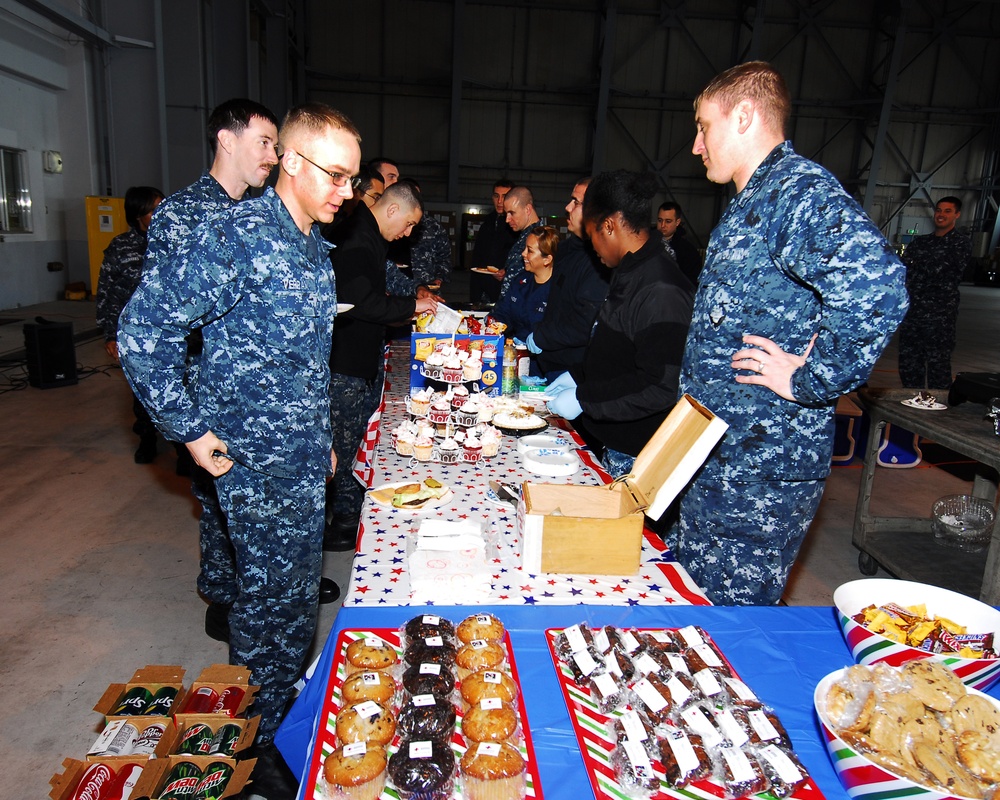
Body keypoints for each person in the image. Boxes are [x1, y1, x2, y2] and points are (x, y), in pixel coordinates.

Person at [119, 103, 361, 799]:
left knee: (293, 611)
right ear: (291, 161)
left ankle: (281, 730)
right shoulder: (237, 237)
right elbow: (144, 332)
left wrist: (321, 441)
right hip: (251, 463)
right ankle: (255, 762)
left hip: (299, 462)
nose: (346, 191)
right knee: (264, 614)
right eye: (336, 176)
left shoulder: (311, 244)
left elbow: (305, 361)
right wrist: (190, 431)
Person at [670, 61, 908, 606]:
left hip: (761, 465)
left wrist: (811, 378)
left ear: (745, 116)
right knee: (698, 608)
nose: (696, 145)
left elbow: (879, 286)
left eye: (704, 127)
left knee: (734, 622)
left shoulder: (796, 193)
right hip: (723, 456)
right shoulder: (757, 198)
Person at [141, 99, 299, 644]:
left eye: (276, 145)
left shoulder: (259, 214)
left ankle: (264, 588)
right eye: (263, 142)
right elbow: (161, 320)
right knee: (215, 496)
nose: (272, 155)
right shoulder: (182, 214)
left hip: (251, 389)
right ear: (226, 141)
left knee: (247, 502)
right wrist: (186, 413)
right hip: (204, 390)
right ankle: (223, 592)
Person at [545, 171, 693, 478]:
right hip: (608, 436)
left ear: (609, 226)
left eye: (592, 235)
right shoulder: (629, 269)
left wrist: (585, 399)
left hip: (636, 452)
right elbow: (617, 349)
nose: (592, 247)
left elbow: (660, 385)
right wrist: (578, 375)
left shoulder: (661, 288)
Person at [325, 181, 439, 549]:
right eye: (407, 225)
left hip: (360, 357)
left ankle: (350, 512)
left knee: (358, 440)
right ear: (392, 210)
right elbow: (364, 303)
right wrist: (410, 308)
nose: (407, 234)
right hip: (345, 363)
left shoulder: (371, 236)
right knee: (345, 444)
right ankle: (344, 522)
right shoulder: (358, 240)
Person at [96, 186, 165, 463]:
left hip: (171, 334)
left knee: (181, 390)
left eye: (163, 206)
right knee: (142, 394)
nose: (160, 214)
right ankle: (147, 439)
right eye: (153, 209)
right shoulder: (120, 247)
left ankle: (185, 452)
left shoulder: (174, 242)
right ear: (138, 215)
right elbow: (107, 293)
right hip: (135, 335)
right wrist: (109, 334)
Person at [527, 177, 610, 380]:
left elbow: (586, 323)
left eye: (576, 202)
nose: (567, 207)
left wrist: (542, 336)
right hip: (550, 363)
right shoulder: (566, 250)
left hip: (574, 370)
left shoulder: (600, 261)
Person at [897, 196, 971, 390]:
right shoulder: (920, 243)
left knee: (938, 366)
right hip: (913, 313)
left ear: (957, 215)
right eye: (939, 210)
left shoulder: (960, 244)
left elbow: (940, 270)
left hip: (939, 315)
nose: (941, 215)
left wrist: (918, 266)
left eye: (947, 211)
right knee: (909, 364)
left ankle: (939, 411)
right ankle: (911, 404)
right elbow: (904, 271)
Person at [491, 225, 558, 344]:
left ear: (547, 259)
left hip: (543, 357)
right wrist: (495, 321)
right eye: (524, 249)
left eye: (529, 251)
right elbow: (505, 311)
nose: (523, 253)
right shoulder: (521, 281)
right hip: (516, 350)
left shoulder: (559, 289)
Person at [470, 178, 517, 302]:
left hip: (506, 292)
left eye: (505, 196)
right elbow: (477, 257)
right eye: (497, 196)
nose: (500, 201)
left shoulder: (517, 226)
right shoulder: (488, 222)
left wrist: (507, 271)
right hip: (482, 289)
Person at [499, 186, 541, 296]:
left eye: (512, 213)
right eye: (506, 214)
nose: (507, 220)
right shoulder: (524, 236)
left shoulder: (540, 239)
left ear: (527, 209)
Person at [656, 201, 703, 286]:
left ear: (677, 222)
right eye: (660, 220)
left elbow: (693, 281)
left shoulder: (688, 251)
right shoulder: (647, 244)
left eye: (668, 221)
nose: (662, 225)